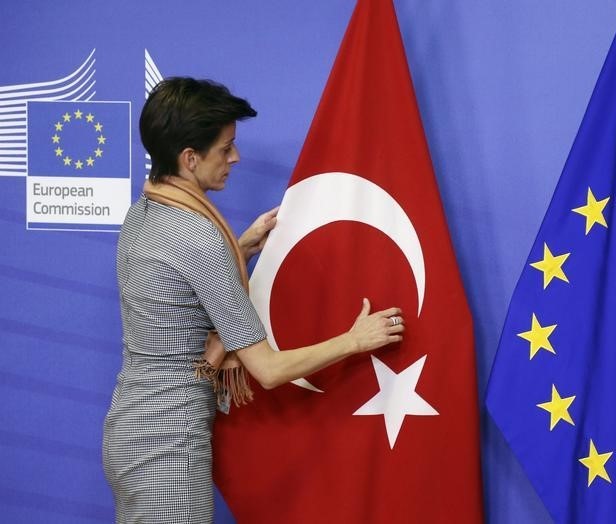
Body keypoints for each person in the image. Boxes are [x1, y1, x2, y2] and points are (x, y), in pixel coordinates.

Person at [102, 77, 404, 523]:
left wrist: (238, 249)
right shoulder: (199, 237)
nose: (235, 158)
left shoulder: (144, 211)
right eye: (225, 149)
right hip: (168, 451)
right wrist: (355, 340)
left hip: (128, 430)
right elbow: (267, 369)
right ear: (189, 159)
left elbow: (177, 280)